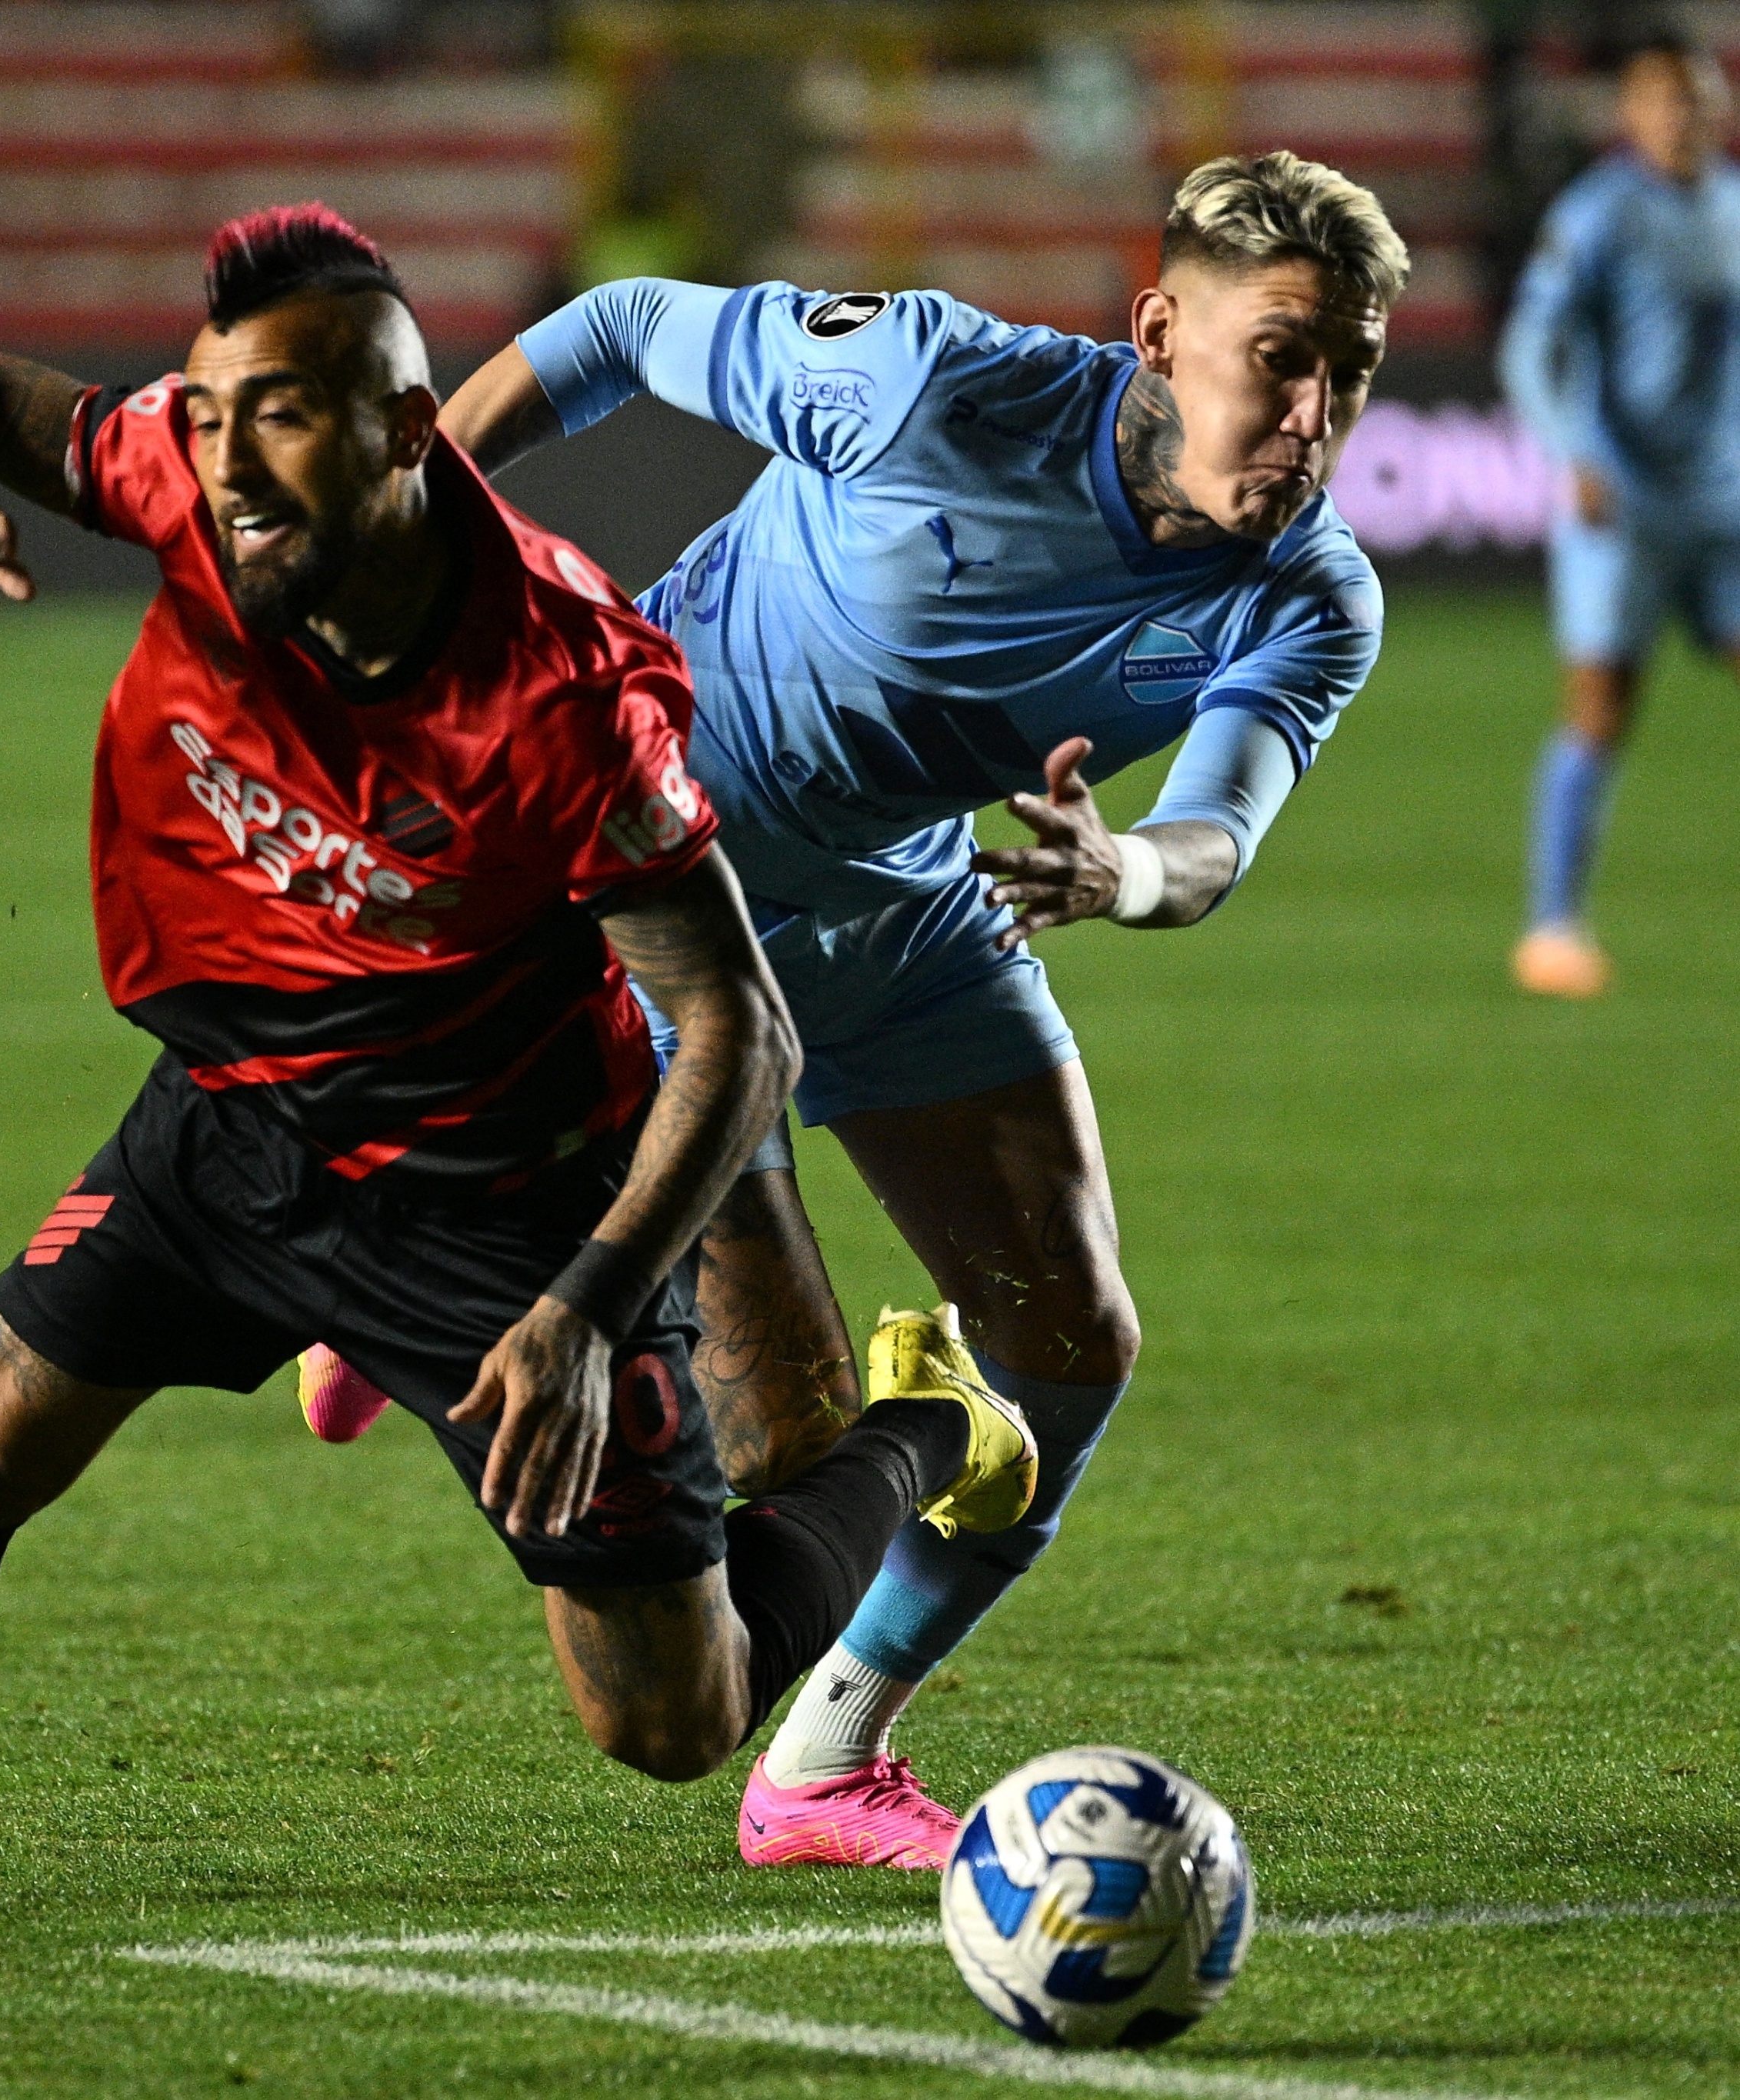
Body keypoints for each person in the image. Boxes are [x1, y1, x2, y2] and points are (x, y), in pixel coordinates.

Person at [0, 205, 1040, 1903]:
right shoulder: (192, 473)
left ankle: (921, 1426)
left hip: (502, 1209)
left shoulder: (561, 691)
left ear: (398, 428)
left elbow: (738, 1031)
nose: (223, 463)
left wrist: (588, 1307)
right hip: (234, 1119)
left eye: (278, 418)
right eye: (208, 414)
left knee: (671, 1720)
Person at [430, 150, 1406, 1868]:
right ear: (1161, 331)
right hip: (651, 882)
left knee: (1067, 1341)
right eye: (1280, 356)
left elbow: (1215, 834)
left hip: (892, 896)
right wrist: (409, 522)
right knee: (810, 1450)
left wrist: (1130, 876)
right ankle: (424, 1226)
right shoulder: (926, 382)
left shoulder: (1306, 591)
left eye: (1348, 370)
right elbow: (626, 324)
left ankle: (820, 1767)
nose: (1312, 414)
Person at [1500, 35, 1740, 998]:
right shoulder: (1599, 211)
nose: (1679, 117)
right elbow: (1530, 342)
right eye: (1660, 102)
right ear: (1631, 116)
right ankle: (1552, 928)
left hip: (1725, 499)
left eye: (1694, 100)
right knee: (1601, 707)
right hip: (1624, 506)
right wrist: (1571, 454)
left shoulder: (1731, 204)